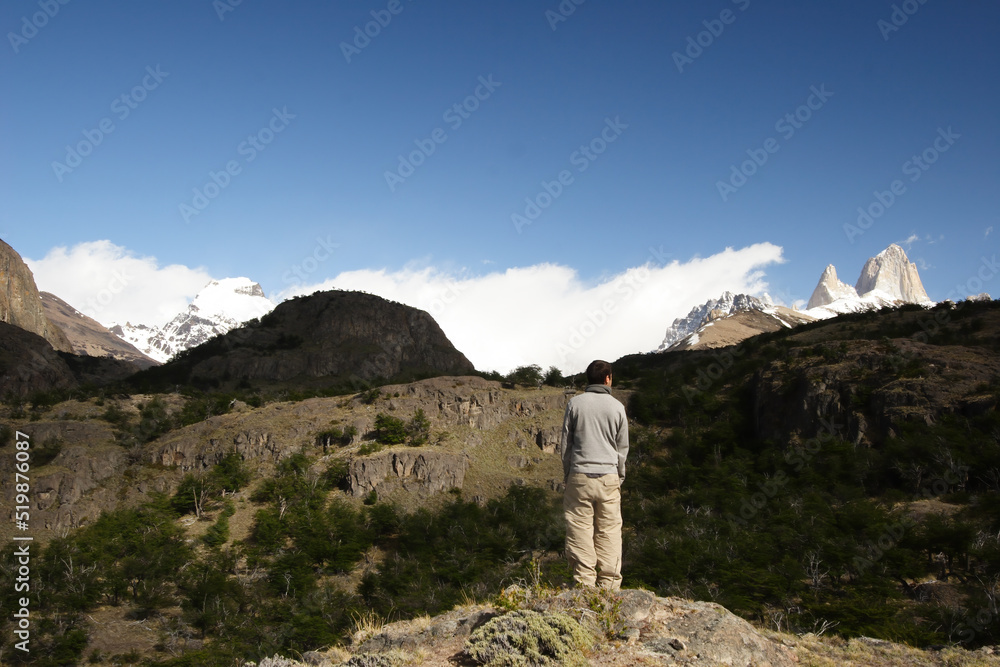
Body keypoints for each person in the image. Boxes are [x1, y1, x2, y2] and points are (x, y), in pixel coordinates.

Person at [561, 359, 629, 589]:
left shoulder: (575, 404)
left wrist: (569, 473)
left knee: (580, 528)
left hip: (579, 475)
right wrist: (618, 477)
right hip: (609, 477)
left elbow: (566, 445)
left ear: (588, 379)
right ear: (608, 378)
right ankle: (609, 587)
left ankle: (584, 585)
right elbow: (622, 449)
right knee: (609, 531)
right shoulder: (617, 407)